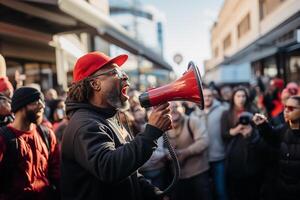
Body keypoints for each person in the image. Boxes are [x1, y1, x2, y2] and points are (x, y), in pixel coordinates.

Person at [61, 52, 172, 200]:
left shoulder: (108, 117)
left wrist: (153, 193)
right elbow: (109, 168)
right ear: (95, 84)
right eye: (116, 72)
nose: (125, 76)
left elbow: (129, 172)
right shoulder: (85, 124)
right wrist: (151, 133)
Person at [0, 87, 60, 200]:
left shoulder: (47, 134)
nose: (42, 106)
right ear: (21, 106)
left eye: (42, 101)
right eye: (36, 102)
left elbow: (57, 174)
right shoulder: (3, 138)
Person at [221, 86, 266, 200]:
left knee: (252, 191)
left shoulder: (254, 111)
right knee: (236, 192)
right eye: (238, 96)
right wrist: (235, 131)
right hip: (234, 158)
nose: (241, 99)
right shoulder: (226, 114)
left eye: (243, 96)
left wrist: (251, 132)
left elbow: (262, 132)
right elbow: (223, 134)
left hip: (252, 157)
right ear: (233, 98)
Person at [253, 95, 300, 200]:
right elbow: (272, 137)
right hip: (283, 189)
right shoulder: (284, 129)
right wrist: (262, 125)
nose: (286, 110)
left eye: (291, 108)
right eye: (285, 107)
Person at [167, 101, 211, 200]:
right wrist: (168, 154)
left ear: (183, 109)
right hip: (177, 177)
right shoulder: (164, 127)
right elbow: (159, 149)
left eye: (176, 107)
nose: (173, 110)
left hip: (198, 173)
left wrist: (185, 153)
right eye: (170, 108)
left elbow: (204, 141)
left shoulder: (193, 121)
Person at [191, 87, 228, 200]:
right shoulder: (194, 115)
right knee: (205, 193)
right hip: (201, 160)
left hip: (218, 157)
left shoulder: (222, 110)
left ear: (213, 97)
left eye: (209, 96)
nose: (207, 98)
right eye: (204, 96)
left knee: (221, 191)